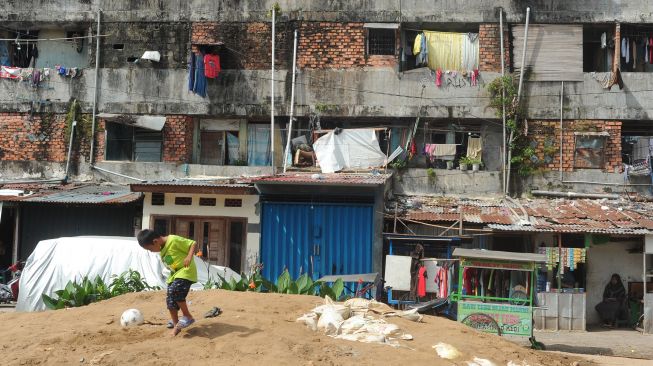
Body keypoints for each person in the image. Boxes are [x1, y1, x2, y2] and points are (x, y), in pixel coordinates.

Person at [137, 229, 198, 336]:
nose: (150, 251)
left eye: (150, 249)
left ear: (155, 241)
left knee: (175, 290)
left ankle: (187, 316)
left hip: (186, 271)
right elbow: (171, 263)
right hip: (175, 275)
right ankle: (176, 326)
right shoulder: (162, 250)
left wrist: (189, 257)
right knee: (170, 300)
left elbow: (192, 243)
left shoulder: (173, 240)